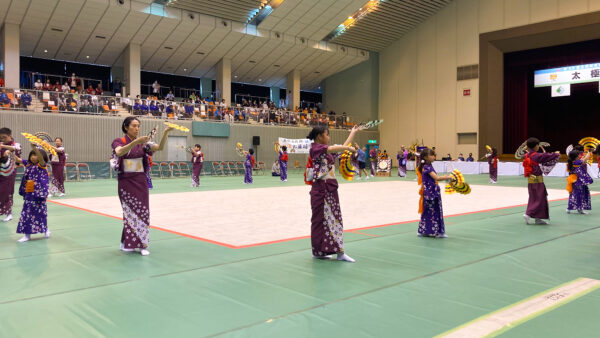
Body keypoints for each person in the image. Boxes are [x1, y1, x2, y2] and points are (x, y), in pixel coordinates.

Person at [111, 117, 173, 256]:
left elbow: (160, 147)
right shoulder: (119, 141)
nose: (137, 128)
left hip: (140, 180)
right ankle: (131, 243)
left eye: (138, 126)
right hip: (126, 181)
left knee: (143, 211)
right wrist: (135, 142)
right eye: (134, 125)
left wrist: (165, 133)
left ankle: (142, 244)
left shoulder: (143, 144)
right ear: (126, 127)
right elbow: (119, 152)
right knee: (129, 213)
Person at [307, 125, 359, 262]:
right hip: (320, 190)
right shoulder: (315, 149)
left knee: (335, 219)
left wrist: (352, 133)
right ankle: (318, 251)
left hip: (329, 189)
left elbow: (341, 146)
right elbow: (335, 148)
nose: (328, 137)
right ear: (319, 136)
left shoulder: (326, 152)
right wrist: (347, 148)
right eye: (327, 134)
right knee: (318, 221)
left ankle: (340, 252)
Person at [16, 144, 50, 242]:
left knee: (41, 213)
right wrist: (11, 151)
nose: (33, 157)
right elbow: (18, 159)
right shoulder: (28, 164)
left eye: (35, 155)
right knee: (26, 212)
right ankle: (27, 235)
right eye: (32, 155)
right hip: (30, 191)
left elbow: (41, 159)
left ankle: (46, 229)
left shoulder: (42, 165)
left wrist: (35, 148)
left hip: (40, 194)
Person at [522, 137, 560, 225]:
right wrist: (556, 153)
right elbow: (548, 156)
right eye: (538, 145)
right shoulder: (537, 155)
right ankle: (528, 214)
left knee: (534, 198)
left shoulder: (526, 155)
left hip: (531, 182)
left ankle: (538, 219)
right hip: (538, 181)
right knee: (540, 199)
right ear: (536, 146)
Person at [417, 148, 453, 238]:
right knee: (433, 211)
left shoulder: (429, 166)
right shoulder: (426, 167)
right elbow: (436, 178)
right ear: (426, 157)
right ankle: (433, 231)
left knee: (433, 211)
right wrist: (448, 176)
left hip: (433, 192)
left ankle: (426, 231)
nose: (434, 156)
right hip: (430, 193)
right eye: (432, 155)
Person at [0, 128, 21, 222]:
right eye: (1, 138)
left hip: (10, 172)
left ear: (10, 136)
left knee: (5, 192)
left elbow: (15, 149)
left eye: (4, 137)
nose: (3, 139)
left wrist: (6, 150)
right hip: (1, 170)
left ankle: (8, 213)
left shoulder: (15, 144)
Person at [566, 149, 593, 214]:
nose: (579, 156)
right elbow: (585, 159)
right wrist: (589, 152)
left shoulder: (571, 162)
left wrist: (585, 155)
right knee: (581, 194)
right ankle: (580, 209)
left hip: (574, 181)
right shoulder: (576, 162)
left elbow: (584, 159)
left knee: (573, 194)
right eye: (578, 155)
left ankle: (569, 208)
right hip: (579, 181)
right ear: (575, 157)